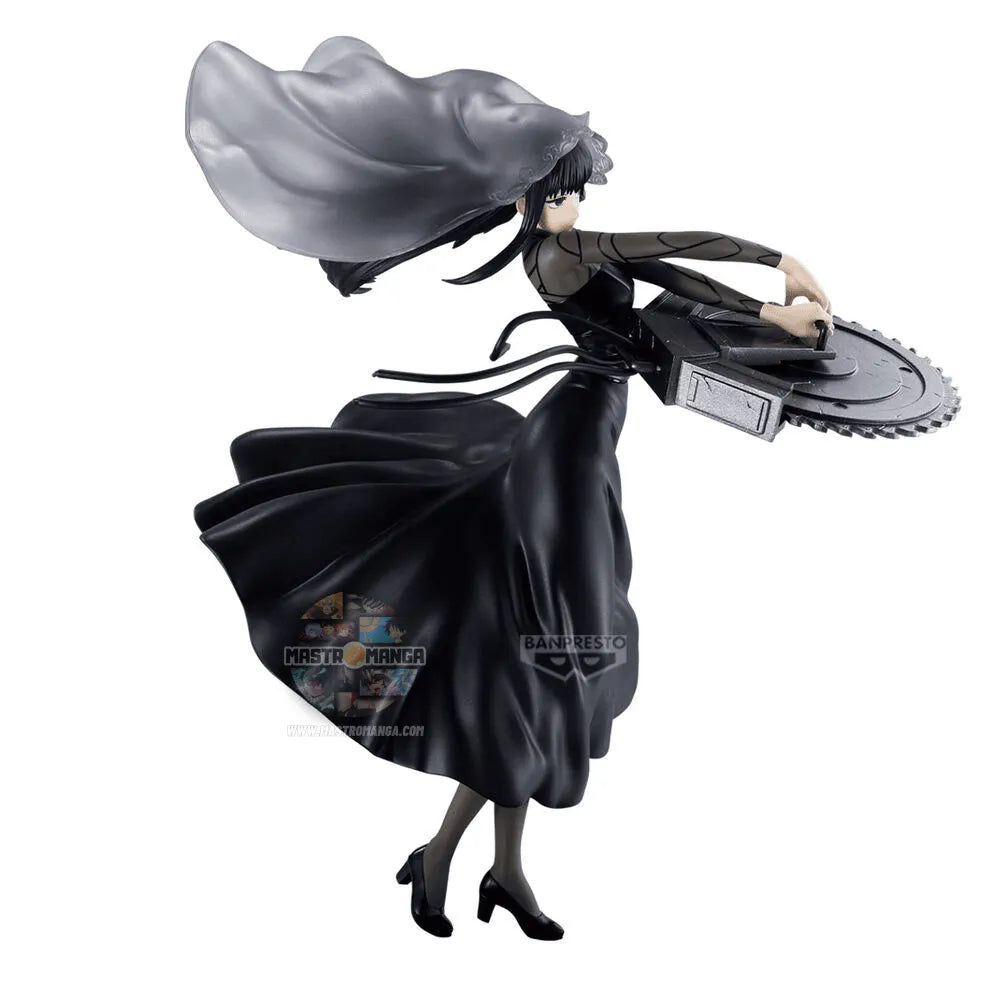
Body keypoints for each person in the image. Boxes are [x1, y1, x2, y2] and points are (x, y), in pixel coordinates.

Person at [187, 36, 831, 940]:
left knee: (520, 695)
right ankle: (473, 859)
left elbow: (663, 274)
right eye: (559, 193)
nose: (572, 205)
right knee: (550, 659)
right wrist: (774, 275)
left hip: (582, 437)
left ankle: (483, 867)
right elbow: (672, 251)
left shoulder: (571, 246)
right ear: (530, 198)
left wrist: (769, 296)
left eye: (577, 192)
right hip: (568, 446)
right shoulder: (567, 256)